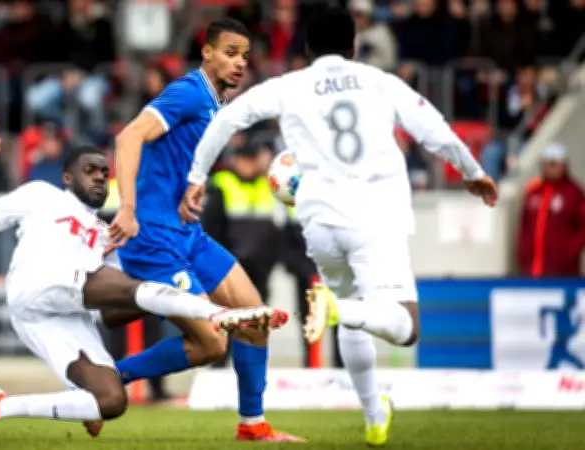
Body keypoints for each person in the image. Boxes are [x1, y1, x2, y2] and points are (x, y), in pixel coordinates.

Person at [181, 5, 498, 447]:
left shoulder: (289, 85)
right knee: (406, 326)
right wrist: (471, 169)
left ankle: (373, 415)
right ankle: (340, 314)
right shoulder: (378, 81)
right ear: (353, 46)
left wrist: (196, 177)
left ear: (308, 50)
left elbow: (228, 118)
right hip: (375, 216)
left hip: (320, 221)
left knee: (352, 316)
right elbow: (433, 129)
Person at [0, 116, 288, 442]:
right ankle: (218, 314)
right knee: (134, 288)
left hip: (57, 315)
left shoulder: (105, 235)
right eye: (90, 170)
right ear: (67, 177)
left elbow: (113, 312)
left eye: (104, 172)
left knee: (110, 402)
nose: (100, 177)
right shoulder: (41, 195)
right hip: (37, 285)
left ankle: (1, 405)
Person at [106, 18, 303, 442]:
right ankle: (108, 379)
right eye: (230, 52)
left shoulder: (216, 105)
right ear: (207, 52)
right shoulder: (188, 93)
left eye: (245, 56)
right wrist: (127, 206)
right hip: (154, 238)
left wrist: (192, 187)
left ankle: (252, 425)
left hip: (188, 233)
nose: (239, 63)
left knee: (254, 318)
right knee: (212, 344)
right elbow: (128, 138)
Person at [516, 143, 585, 277]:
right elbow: (524, 226)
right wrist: (522, 253)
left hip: (563, 272)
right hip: (532, 269)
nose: (551, 168)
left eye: (555, 163)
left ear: (564, 165)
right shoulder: (534, 191)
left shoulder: (573, 193)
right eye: (548, 163)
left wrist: (570, 251)